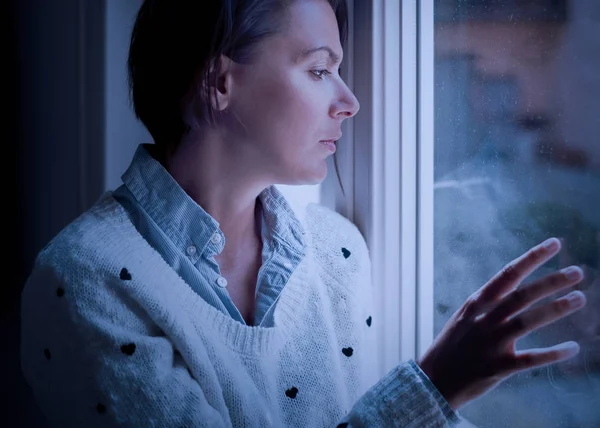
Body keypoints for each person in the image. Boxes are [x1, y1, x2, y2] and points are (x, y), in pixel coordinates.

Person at [20, 0, 587, 427]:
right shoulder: (85, 280)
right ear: (220, 82)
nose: (350, 101)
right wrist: (433, 389)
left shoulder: (335, 249)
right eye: (319, 70)